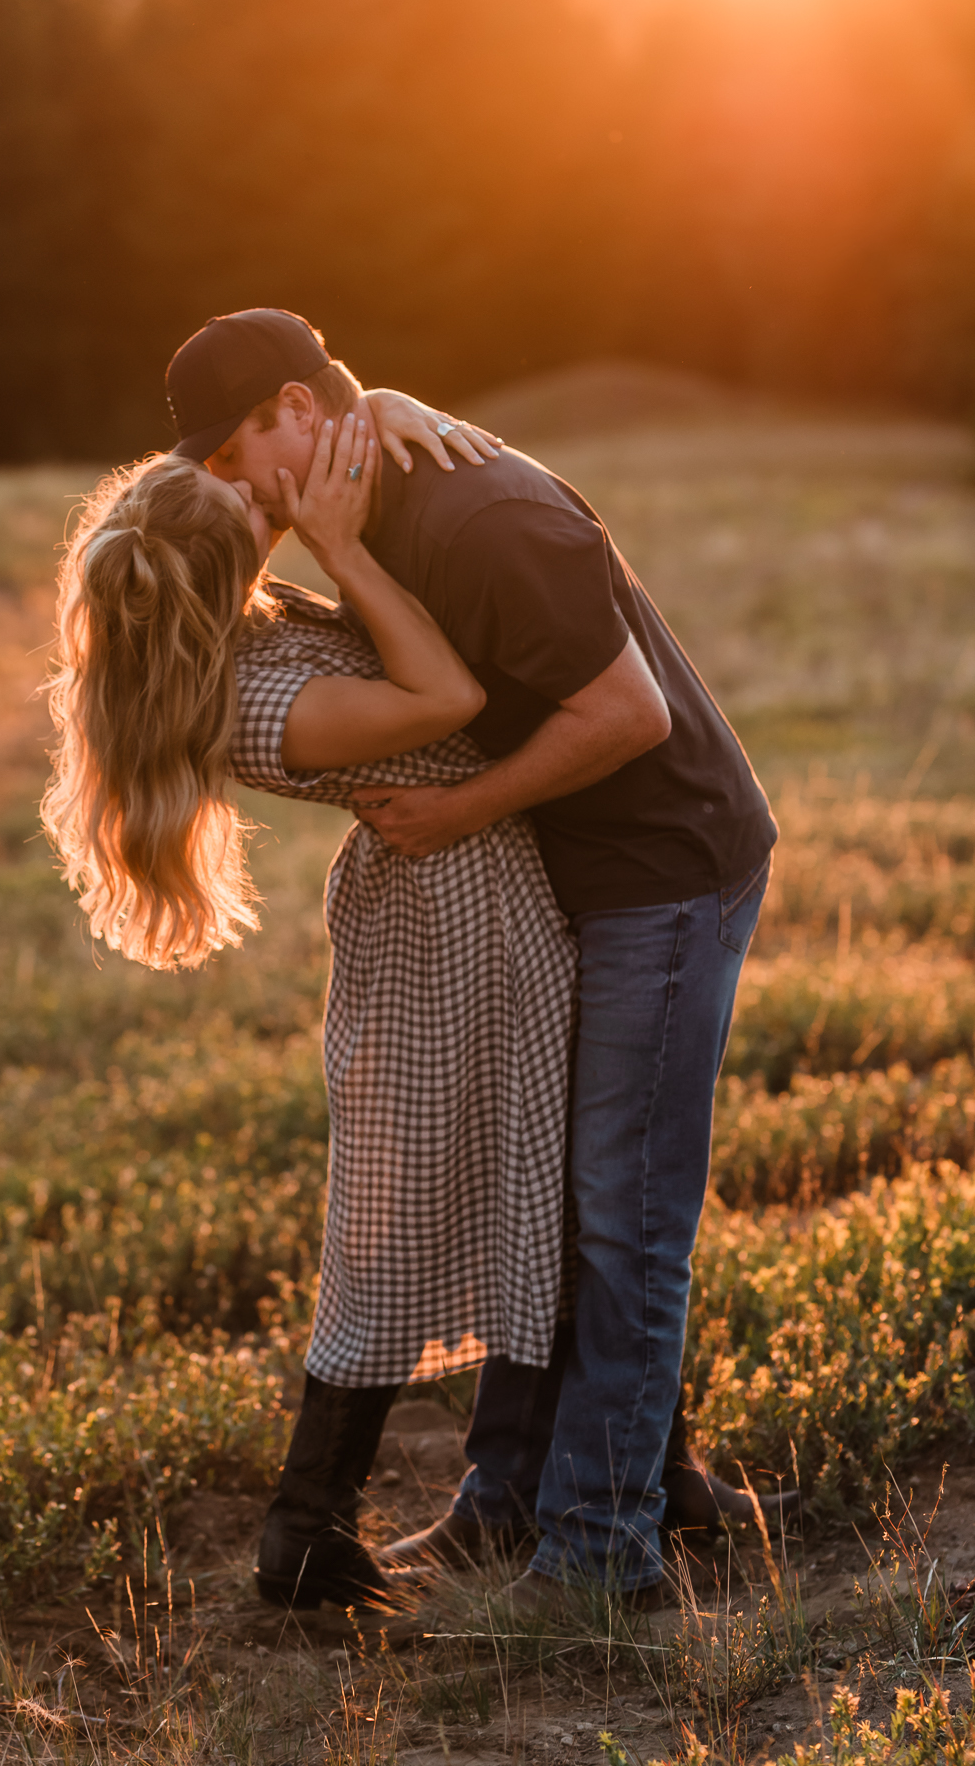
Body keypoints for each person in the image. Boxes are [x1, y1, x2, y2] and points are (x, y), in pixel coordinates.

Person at [178, 307, 786, 1613]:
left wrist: (461, 809)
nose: (234, 492)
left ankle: (596, 1550)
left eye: (237, 454)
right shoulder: (364, 499)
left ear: (297, 408)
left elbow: (629, 714)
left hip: (664, 871)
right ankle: (516, 1500)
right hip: (576, 866)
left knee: (620, 1218)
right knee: (552, 1197)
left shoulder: (482, 519)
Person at [42, 409, 580, 1611]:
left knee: (527, 1192)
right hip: (452, 921)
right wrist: (341, 545)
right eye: (250, 509)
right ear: (222, 571)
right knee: (448, 1214)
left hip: (454, 904)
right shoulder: (264, 703)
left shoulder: (245, 632)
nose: (270, 499)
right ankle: (310, 1524)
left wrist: (371, 428)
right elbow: (447, 689)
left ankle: (556, 1476)